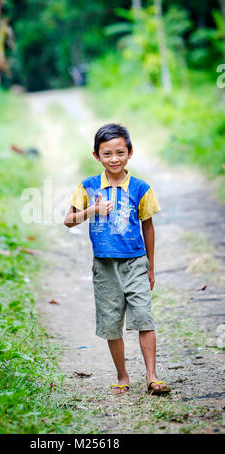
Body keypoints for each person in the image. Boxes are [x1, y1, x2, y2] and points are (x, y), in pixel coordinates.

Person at [64, 123, 171, 396]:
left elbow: (148, 226)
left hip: (135, 261)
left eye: (120, 153)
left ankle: (152, 375)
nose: (114, 159)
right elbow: (68, 220)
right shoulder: (87, 186)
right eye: (107, 154)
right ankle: (122, 376)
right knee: (112, 323)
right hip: (105, 266)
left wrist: (151, 266)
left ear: (130, 153)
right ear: (96, 156)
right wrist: (93, 209)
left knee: (144, 317)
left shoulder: (140, 188)